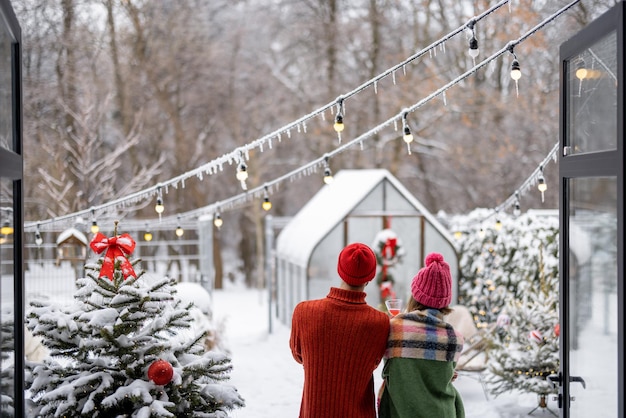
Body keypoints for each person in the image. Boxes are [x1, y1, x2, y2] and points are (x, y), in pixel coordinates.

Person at [290, 242, 391, 418]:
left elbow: (299, 355)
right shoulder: (380, 322)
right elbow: (374, 363)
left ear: (340, 270)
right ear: (370, 277)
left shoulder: (304, 312)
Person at [378, 252, 465, 418]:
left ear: (415, 296)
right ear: (445, 301)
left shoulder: (394, 330)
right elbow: (444, 375)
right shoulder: (455, 339)